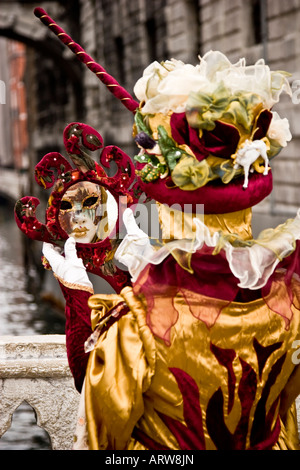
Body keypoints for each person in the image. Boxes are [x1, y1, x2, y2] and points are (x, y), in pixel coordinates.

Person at [41, 51, 300, 451]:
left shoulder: (139, 328)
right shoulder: (293, 303)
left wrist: (78, 300)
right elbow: (283, 422)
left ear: (166, 205)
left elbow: (99, 437)